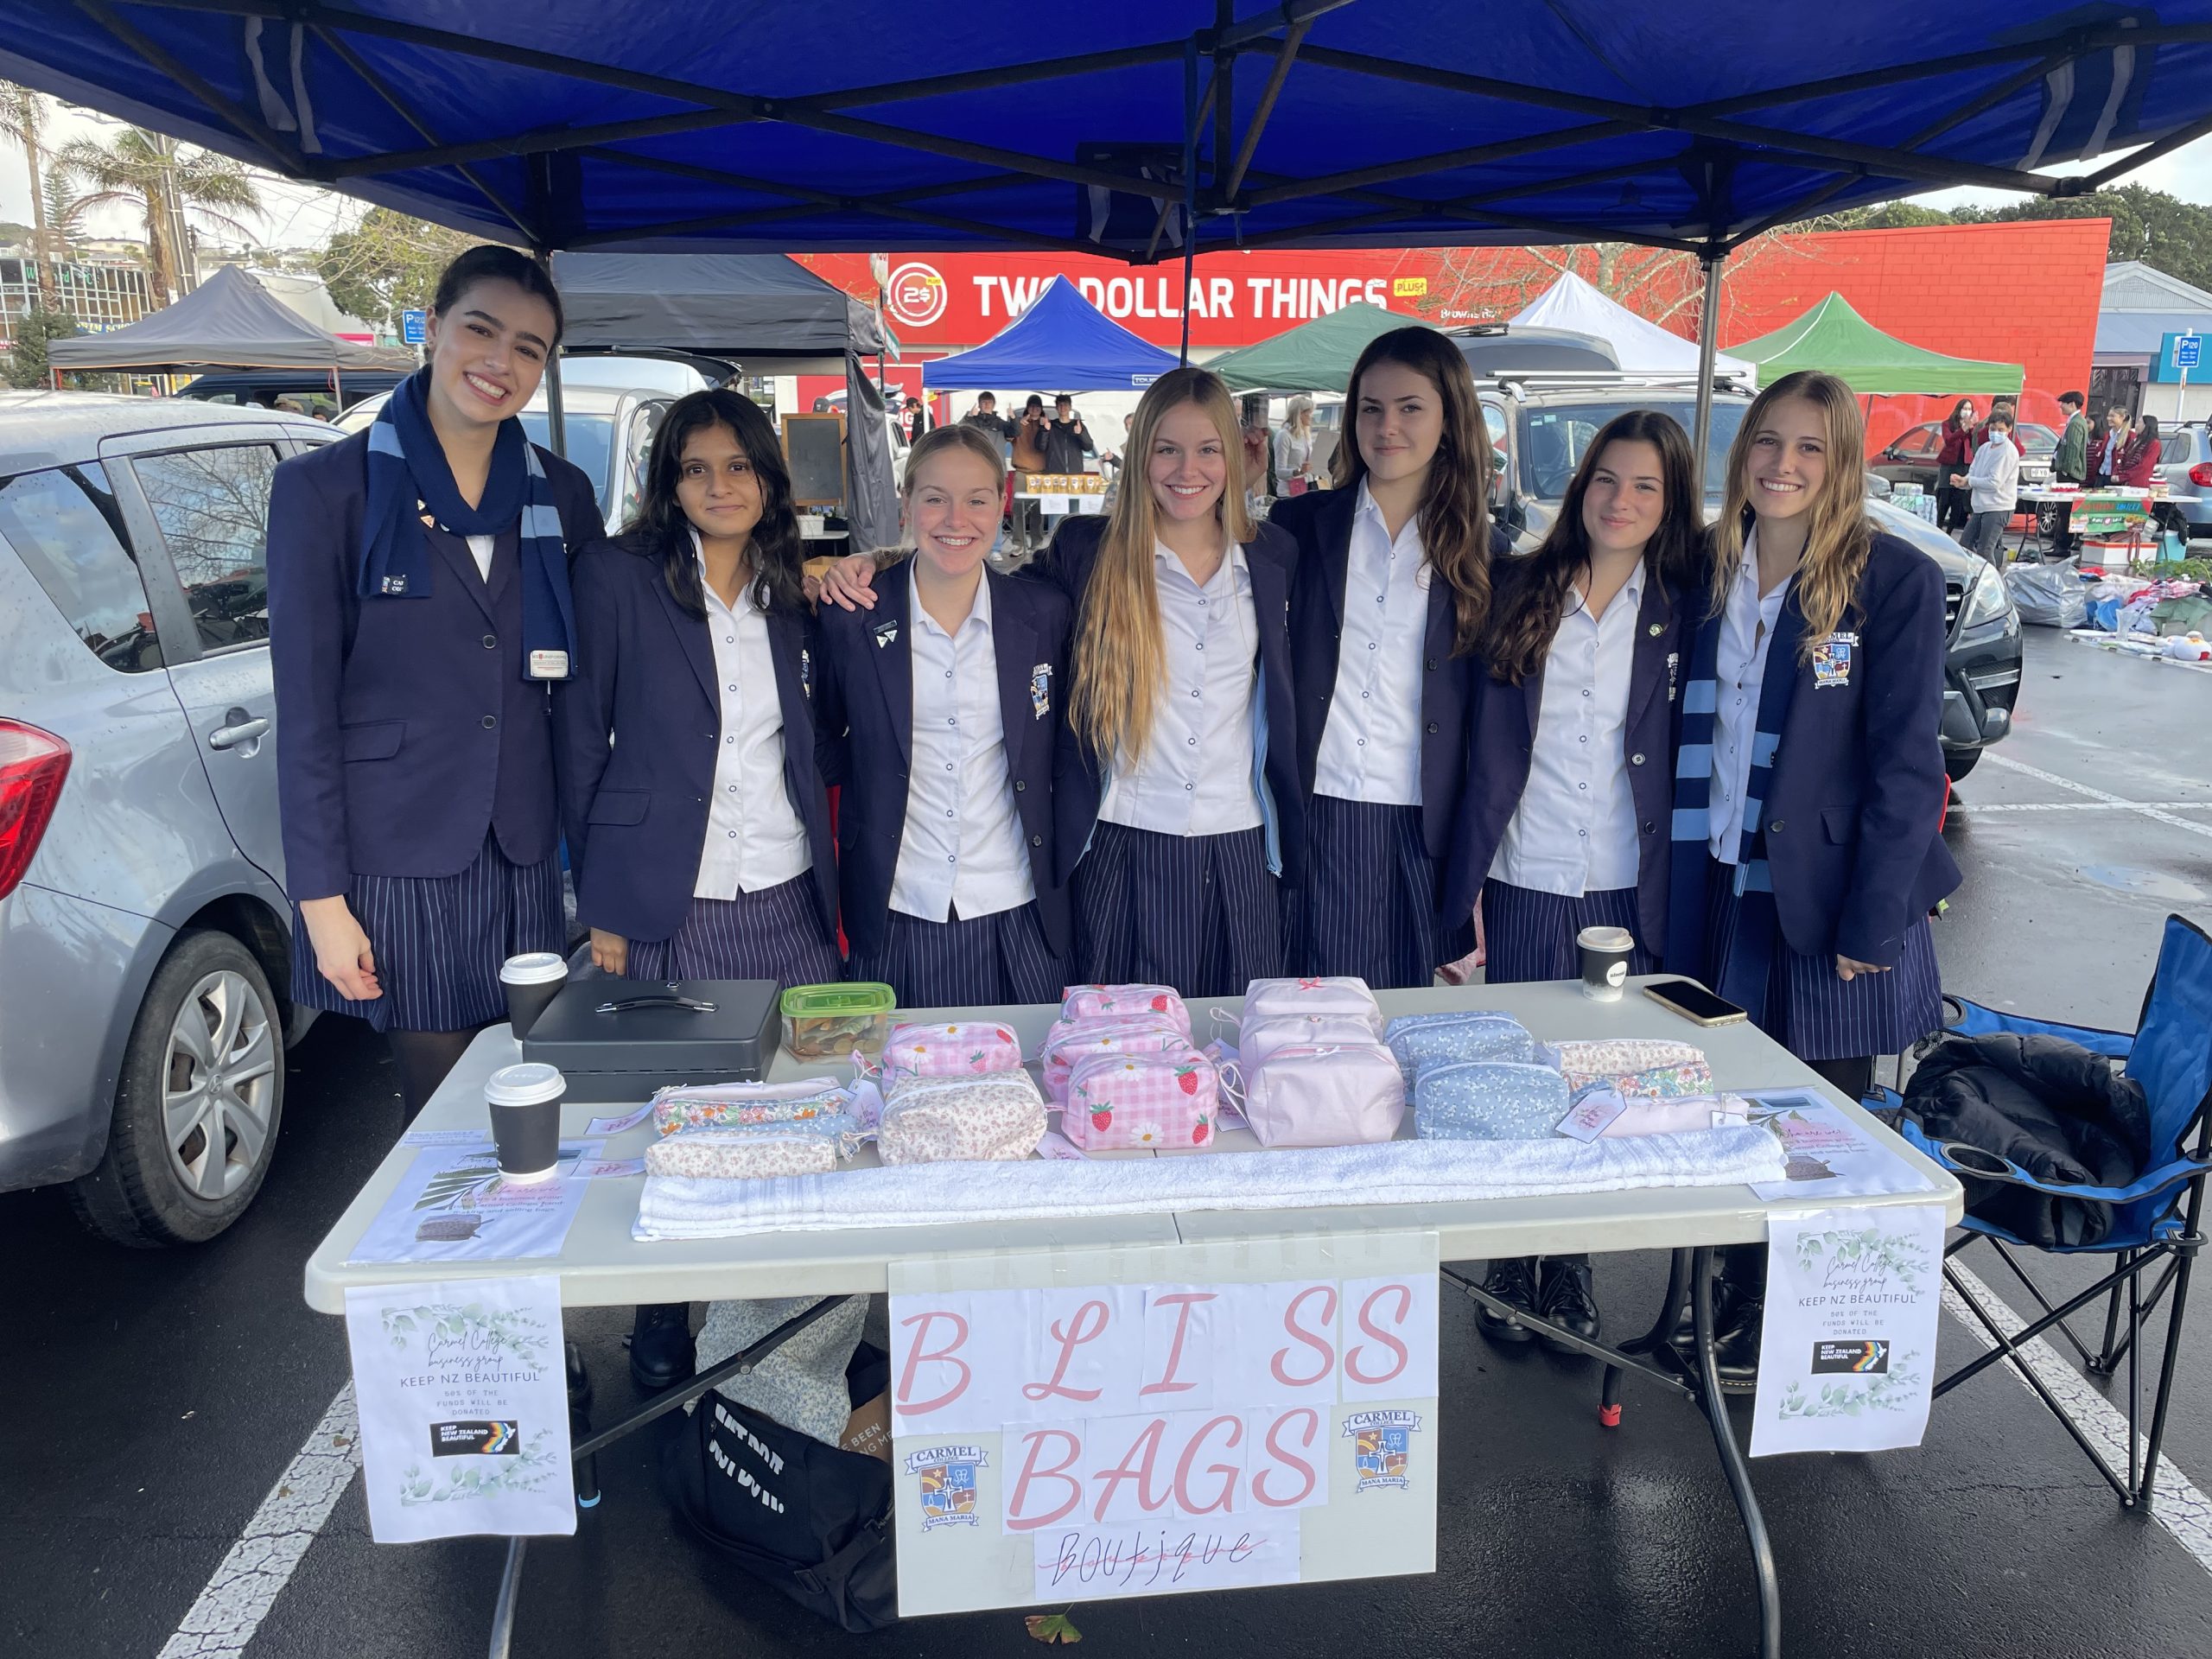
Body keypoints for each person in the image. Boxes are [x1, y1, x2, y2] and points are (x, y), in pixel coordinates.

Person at [818, 366, 1303, 999]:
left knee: (1231, 1036)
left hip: (1240, 843)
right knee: (1113, 1054)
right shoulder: (1088, 550)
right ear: (1140, 454)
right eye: (1167, 449)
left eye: (1208, 449)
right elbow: (972, 567)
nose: (1188, 469)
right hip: (1117, 841)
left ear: (1238, 454)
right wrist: (875, 562)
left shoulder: (1274, 557)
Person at [1665, 368, 1960, 1385]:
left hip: (1829, 909)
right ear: (1742, 452)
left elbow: (1905, 770)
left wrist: (1870, 928)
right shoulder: (1706, 569)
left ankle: (1789, 1330)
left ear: (1841, 465)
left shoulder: (1891, 581)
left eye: (1809, 449)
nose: (1782, 465)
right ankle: (1715, 1303)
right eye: (1767, 443)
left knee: (1810, 1132)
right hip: (1716, 884)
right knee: (1721, 1110)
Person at [267, 245, 600, 1127]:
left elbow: (622, 622)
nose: (500, 364)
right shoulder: (324, 490)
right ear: (433, 328)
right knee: (441, 1103)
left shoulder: (561, 495)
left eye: (529, 348)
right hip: (399, 851)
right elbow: (305, 712)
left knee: (534, 1085)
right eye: (481, 330)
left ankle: (525, 1249)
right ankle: (456, 1257)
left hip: (524, 850)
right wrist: (321, 901)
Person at [557, 387, 842, 1391]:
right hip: (668, 893)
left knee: (798, 1103)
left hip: (788, 887)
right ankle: (663, 1316)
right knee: (680, 1114)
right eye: (696, 468)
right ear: (667, 481)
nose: (720, 486)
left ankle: (791, 1311)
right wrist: (600, 906)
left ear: (769, 480)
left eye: (739, 466)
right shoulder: (618, 577)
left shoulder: (792, 591)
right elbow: (580, 742)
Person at [1452, 409, 1706, 1352]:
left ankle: (1573, 1271)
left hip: (1623, 887)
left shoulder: (1684, 609)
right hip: (1522, 876)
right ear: (1580, 486)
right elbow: (1478, 751)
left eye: (1645, 486)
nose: (1621, 501)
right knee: (1518, 1076)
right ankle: (1515, 1261)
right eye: (1606, 479)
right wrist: (1467, 884)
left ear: (1669, 501)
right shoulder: (1516, 589)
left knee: (1597, 1082)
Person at [815, 425, 1074, 1006]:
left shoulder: (1045, 613)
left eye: (977, 499)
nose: (957, 519)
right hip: (899, 904)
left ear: (1003, 504)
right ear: (906, 504)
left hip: (1020, 906)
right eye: (934, 498)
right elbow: (821, 740)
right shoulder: (852, 616)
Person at [1272, 326, 1497, 988]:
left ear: (1450, 419)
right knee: (1304, 1006)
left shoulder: (1489, 556)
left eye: (1409, 408)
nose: (1386, 426)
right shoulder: (1297, 529)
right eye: (1370, 408)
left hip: (1417, 824)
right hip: (1312, 806)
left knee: (1393, 1019)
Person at [1954, 408, 2020, 567]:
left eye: (2001, 430)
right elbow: (1974, 471)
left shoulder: (2008, 451)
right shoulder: (1984, 449)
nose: (1996, 433)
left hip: (1998, 506)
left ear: (2009, 430)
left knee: (1985, 549)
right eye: (1993, 429)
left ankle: (1993, 583)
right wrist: (1964, 480)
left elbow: (1994, 483)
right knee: (1965, 546)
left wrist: (1971, 481)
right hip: (1980, 506)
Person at [2051, 391, 2089, 554]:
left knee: (2065, 511)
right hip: (2066, 472)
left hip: (2069, 474)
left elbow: (2073, 449)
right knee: (2063, 510)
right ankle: (2060, 543)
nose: (2061, 406)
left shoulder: (2076, 424)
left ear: (2072, 404)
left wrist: (2066, 470)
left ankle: (2063, 545)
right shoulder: (2074, 421)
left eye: (2064, 403)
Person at [1934, 398, 1979, 531]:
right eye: (1964, 408)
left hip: (1963, 465)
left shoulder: (1972, 427)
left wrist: (1971, 427)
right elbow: (1949, 440)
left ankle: (1950, 531)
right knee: (1945, 500)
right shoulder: (1948, 424)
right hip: (1949, 465)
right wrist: (1963, 428)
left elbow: (1973, 442)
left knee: (1958, 501)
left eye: (1969, 409)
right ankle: (1938, 527)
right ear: (1959, 410)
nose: (1967, 411)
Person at [1041, 394, 1096, 475]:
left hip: (1075, 474)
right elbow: (1040, 447)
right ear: (1056, 408)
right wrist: (1045, 431)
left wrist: (1080, 434)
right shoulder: (1050, 426)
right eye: (1060, 405)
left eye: (1065, 405)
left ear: (1070, 407)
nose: (1062, 407)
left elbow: (1088, 447)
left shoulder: (1078, 425)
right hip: (1054, 475)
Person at [1273, 396, 1317, 497]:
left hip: (1306, 489)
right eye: (1309, 413)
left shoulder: (1305, 435)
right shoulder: (1284, 435)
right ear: (1299, 414)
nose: (1311, 416)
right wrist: (1298, 471)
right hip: (1288, 493)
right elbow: (1279, 472)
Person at [2114, 412, 2161, 489]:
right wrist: (2117, 473)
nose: (2136, 425)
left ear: (2146, 426)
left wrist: (2123, 476)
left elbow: (2144, 466)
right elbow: (2124, 458)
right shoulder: (2136, 441)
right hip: (2127, 482)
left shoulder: (2154, 443)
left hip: (2139, 484)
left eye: (2139, 423)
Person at [2088, 404, 2132, 487]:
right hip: (2101, 475)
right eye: (2108, 416)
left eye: (2112, 416)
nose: (2108, 419)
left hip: (2114, 478)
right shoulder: (2107, 435)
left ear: (2122, 417)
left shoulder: (2129, 436)